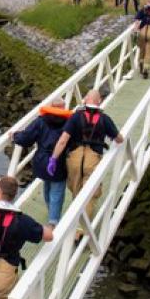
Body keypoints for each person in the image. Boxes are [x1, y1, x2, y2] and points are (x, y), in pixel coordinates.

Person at [49, 90, 124, 218]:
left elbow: (63, 140)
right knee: (90, 192)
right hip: (93, 158)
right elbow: (119, 139)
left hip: (74, 158)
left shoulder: (76, 117)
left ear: (85, 99)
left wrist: (53, 159)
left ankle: (76, 215)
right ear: (99, 101)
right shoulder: (104, 119)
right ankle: (80, 228)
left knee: (76, 188)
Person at [11, 99, 71, 226]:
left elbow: (25, 138)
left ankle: (51, 211)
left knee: (47, 185)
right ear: (63, 107)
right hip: (59, 161)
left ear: (52, 107)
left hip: (41, 160)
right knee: (57, 190)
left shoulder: (41, 121)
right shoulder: (69, 123)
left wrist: (14, 136)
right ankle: (53, 220)